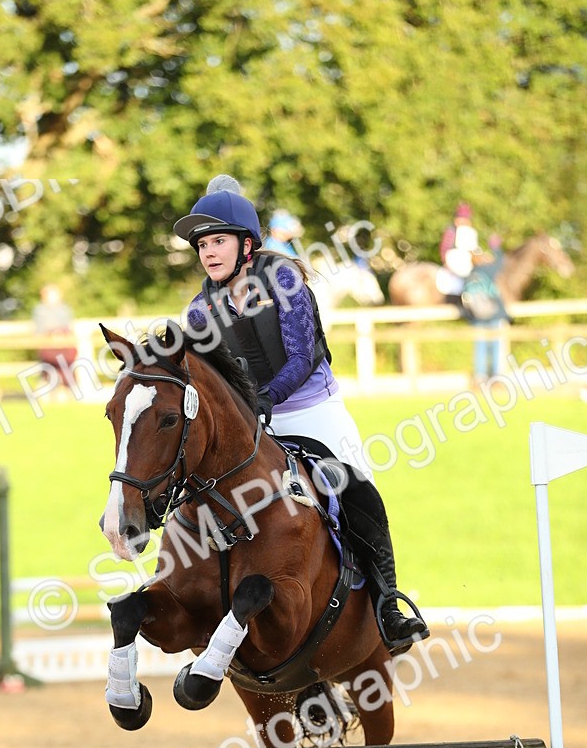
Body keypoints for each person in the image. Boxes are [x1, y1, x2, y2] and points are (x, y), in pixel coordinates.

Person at [173, 175, 428, 656]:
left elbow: (302, 355)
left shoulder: (283, 279)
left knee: (357, 489)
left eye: (219, 241)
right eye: (202, 244)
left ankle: (388, 607)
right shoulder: (200, 309)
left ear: (248, 244)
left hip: (311, 410)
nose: (208, 252)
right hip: (253, 425)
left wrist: (265, 399)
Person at [462, 235, 510, 384]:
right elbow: (501, 261)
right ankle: (496, 377)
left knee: (480, 347)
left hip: (478, 318)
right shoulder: (488, 270)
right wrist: (496, 248)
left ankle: (480, 377)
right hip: (493, 315)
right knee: (496, 346)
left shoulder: (470, 275)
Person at [32, 283, 78, 391]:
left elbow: (69, 328)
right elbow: (39, 330)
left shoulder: (65, 309)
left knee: (68, 366)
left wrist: (61, 335)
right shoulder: (40, 310)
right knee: (49, 368)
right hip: (48, 346)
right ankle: (48, 389)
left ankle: (69, 390)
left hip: (64, 346)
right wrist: (52, 335)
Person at [438, 203, 480, 298]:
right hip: (455, 260)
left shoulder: (470, 232)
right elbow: (444, 248)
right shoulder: (451, 231)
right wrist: (446, 261)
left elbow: (474, 249)